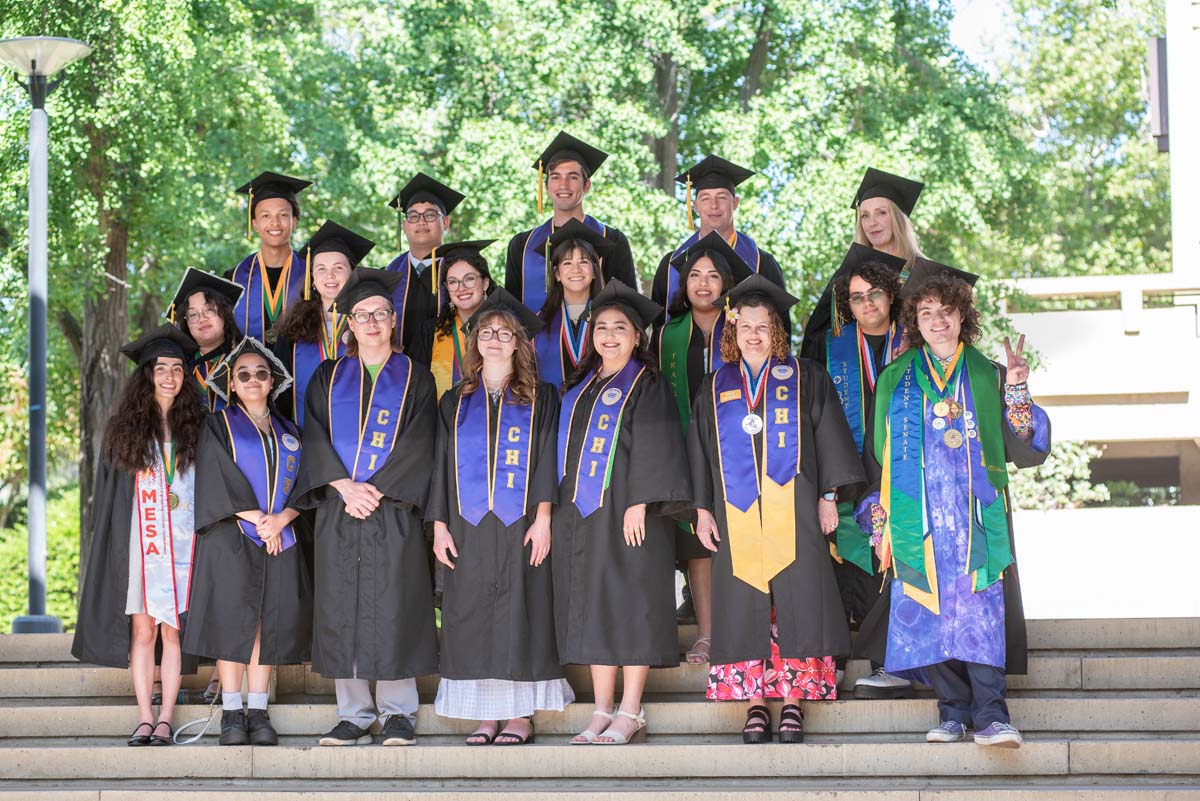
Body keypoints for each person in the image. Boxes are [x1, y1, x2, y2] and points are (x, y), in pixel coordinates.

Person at [855, 268, 1051, 749]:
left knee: (980, 614)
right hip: (916, 519)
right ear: (914, 322)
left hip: (975, 522)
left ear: (963, 315)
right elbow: (877, 457)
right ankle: (952, 709)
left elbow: (1025, 449)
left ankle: (991, 713)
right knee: (924, 609)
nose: (937, 320)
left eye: (946, 311)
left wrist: (1019, 391)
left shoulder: (991, 375)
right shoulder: (894, 379)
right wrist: (874, 512)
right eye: (926, 313)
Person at [686, 274, 863, 744]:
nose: (754, 334)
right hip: (735, 517)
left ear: (778, 330)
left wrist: (828, 498)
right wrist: (701, 510)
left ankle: (793, 701)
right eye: (745, 325)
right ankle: (754, 704)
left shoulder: (805, 375)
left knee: (796, 601)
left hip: (797, 513)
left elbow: (829, 439)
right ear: (732, 329)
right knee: (746, 604)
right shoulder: (715, 384)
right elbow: (700, 451)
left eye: (764, 325)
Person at [288, 268, 439, 747]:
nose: (371, 322)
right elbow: (312, 436)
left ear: (393, 320)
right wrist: (341, 485)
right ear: (348, 323)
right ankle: (352, 714)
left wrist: (373, 491)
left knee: (396, 603)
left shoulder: (416, 377)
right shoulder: (328, 377)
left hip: (392, 510)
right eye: (361, 315)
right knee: (340, 606)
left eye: (379, 313)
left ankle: (398, 713)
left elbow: (422, 443)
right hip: (338, 508)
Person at [428, 287, 571, 746]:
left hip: (522, 523)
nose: (493, 339)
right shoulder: (454, 401)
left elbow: (549, 457)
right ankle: (485, 714)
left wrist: (544, 518)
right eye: (486, 332)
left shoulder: (542, 397)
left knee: (519, 613)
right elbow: (439, 467)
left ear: (518, 342)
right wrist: (438, 526)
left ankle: (519, 715)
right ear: (475, 342)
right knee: (472, 615)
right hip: (466, 526)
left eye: (504, 333)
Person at [552, 280, 693, 745]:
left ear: (637, 337)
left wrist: (640, 501)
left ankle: (631, 710)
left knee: (631, 606)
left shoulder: (648, 385)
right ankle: (600, 710)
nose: (609, 335)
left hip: (634, 516)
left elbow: (658, 447)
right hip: (586, 518)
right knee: (595, 606)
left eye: (620, 328)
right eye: (601, 327)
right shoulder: (578, 389)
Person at [72, 324, 206, 747]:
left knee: (173, 632)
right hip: (142, 546)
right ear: (146, 374)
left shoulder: (199, 430)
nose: (169, 375)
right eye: (160, 368)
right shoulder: (124, 433)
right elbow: (111, 503)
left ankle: (166, 717)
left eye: (177, 368)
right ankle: (144, 716)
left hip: (185, 546)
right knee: (144, 632)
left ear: (186, 377)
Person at [184, 337, 313, 746]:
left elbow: (306, 484)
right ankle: (231, 713)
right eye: (244, 374)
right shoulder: (218, 425)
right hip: (234, 538)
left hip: (281, 539)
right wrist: (259, 519)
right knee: (234, 624)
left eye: (261, 373)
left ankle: (258, 710)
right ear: (232, 384)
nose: (254, 379)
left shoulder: (290, 430)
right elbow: (216, 476)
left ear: (272, 380)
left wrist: (282, 520)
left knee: (266, 624)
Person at [799, 242, 914, 699]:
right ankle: (852, 657)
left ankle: (900, 660)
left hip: (904, 470)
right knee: (853, 563)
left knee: (900, 561)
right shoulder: (833, 349)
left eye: (875, 295)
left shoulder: (915, 341)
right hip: (849, 474)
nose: (866, 304)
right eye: (857, 297)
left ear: (891, 298)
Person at [651, 231, 753, 665]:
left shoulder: (747, 328)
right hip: (683, 446)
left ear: (727, 283)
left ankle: (750, 629)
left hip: (740, 447)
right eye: (695, 275)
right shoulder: (665, 334)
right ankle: (709, 634)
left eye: (713, 275)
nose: (704, 283)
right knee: (697, 541)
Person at [504, 131, 637, 311]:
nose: (563, 185)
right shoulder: (521, 245)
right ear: (547, 186)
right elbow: (511, 313)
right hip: (536, 339)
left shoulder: (613, 240)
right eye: (556, 177)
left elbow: (628, 310)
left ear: (587, 185)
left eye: (573, 177)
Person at [649, 155, 786, 318]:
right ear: (696, 206)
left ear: (735, 203)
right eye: (705, 198)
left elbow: (781, 328)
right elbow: (659, 332)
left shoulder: (763, 264)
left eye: (721, 197)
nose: (714, 206)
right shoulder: (670, 265)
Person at [272, 220, 375, 429]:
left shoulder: (371, 323)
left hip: (359, 437)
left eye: (338, 268)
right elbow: (280, 392)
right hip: (304, 437)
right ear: (313, 279)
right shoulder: (293, 330)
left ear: (353, 273)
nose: (330, 276)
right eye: (321, 269)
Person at [384, 172, 466, 351]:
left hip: (453, 372)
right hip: (400, 374)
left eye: (430, 215)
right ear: (404, 226)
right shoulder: (388, 276)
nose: (421, 222)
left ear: (445, 222)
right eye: (413, 216)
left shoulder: (465, 271)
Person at [227, 171, 312, 342]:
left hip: (301, 367)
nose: (275, 223)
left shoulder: (312, 274)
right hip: (252, 367)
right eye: (266, 216)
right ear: (255, 224)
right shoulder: (234, 279)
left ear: (294, 222)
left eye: (283, 215)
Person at [407, 240, 496, 399]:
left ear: (485, 283)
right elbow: (416, 390)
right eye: (453, 282)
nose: (461, 288)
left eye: (469, 279)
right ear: (447, 288)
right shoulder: (429, 332)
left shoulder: (505, 329)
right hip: (442, 421)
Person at [531, 218, 615, 388]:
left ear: (594, 272)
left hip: (602, 411)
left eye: (583, 262)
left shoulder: (612, 318)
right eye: (567, 263)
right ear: (557, 274)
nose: (576, 269)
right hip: (552, 411)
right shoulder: (538, 323)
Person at [168, 268, 244, 411]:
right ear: (186, 323)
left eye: (209, 309)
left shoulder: (246, 359)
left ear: (224, 313)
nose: (202, 318)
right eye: (193, 314)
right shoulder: (179, 367)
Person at [851, 168, 924, 274]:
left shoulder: (922, 271)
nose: (872, 223)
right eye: (865, 215)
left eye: (881, 213)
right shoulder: (853, 273)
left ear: (897, 219)